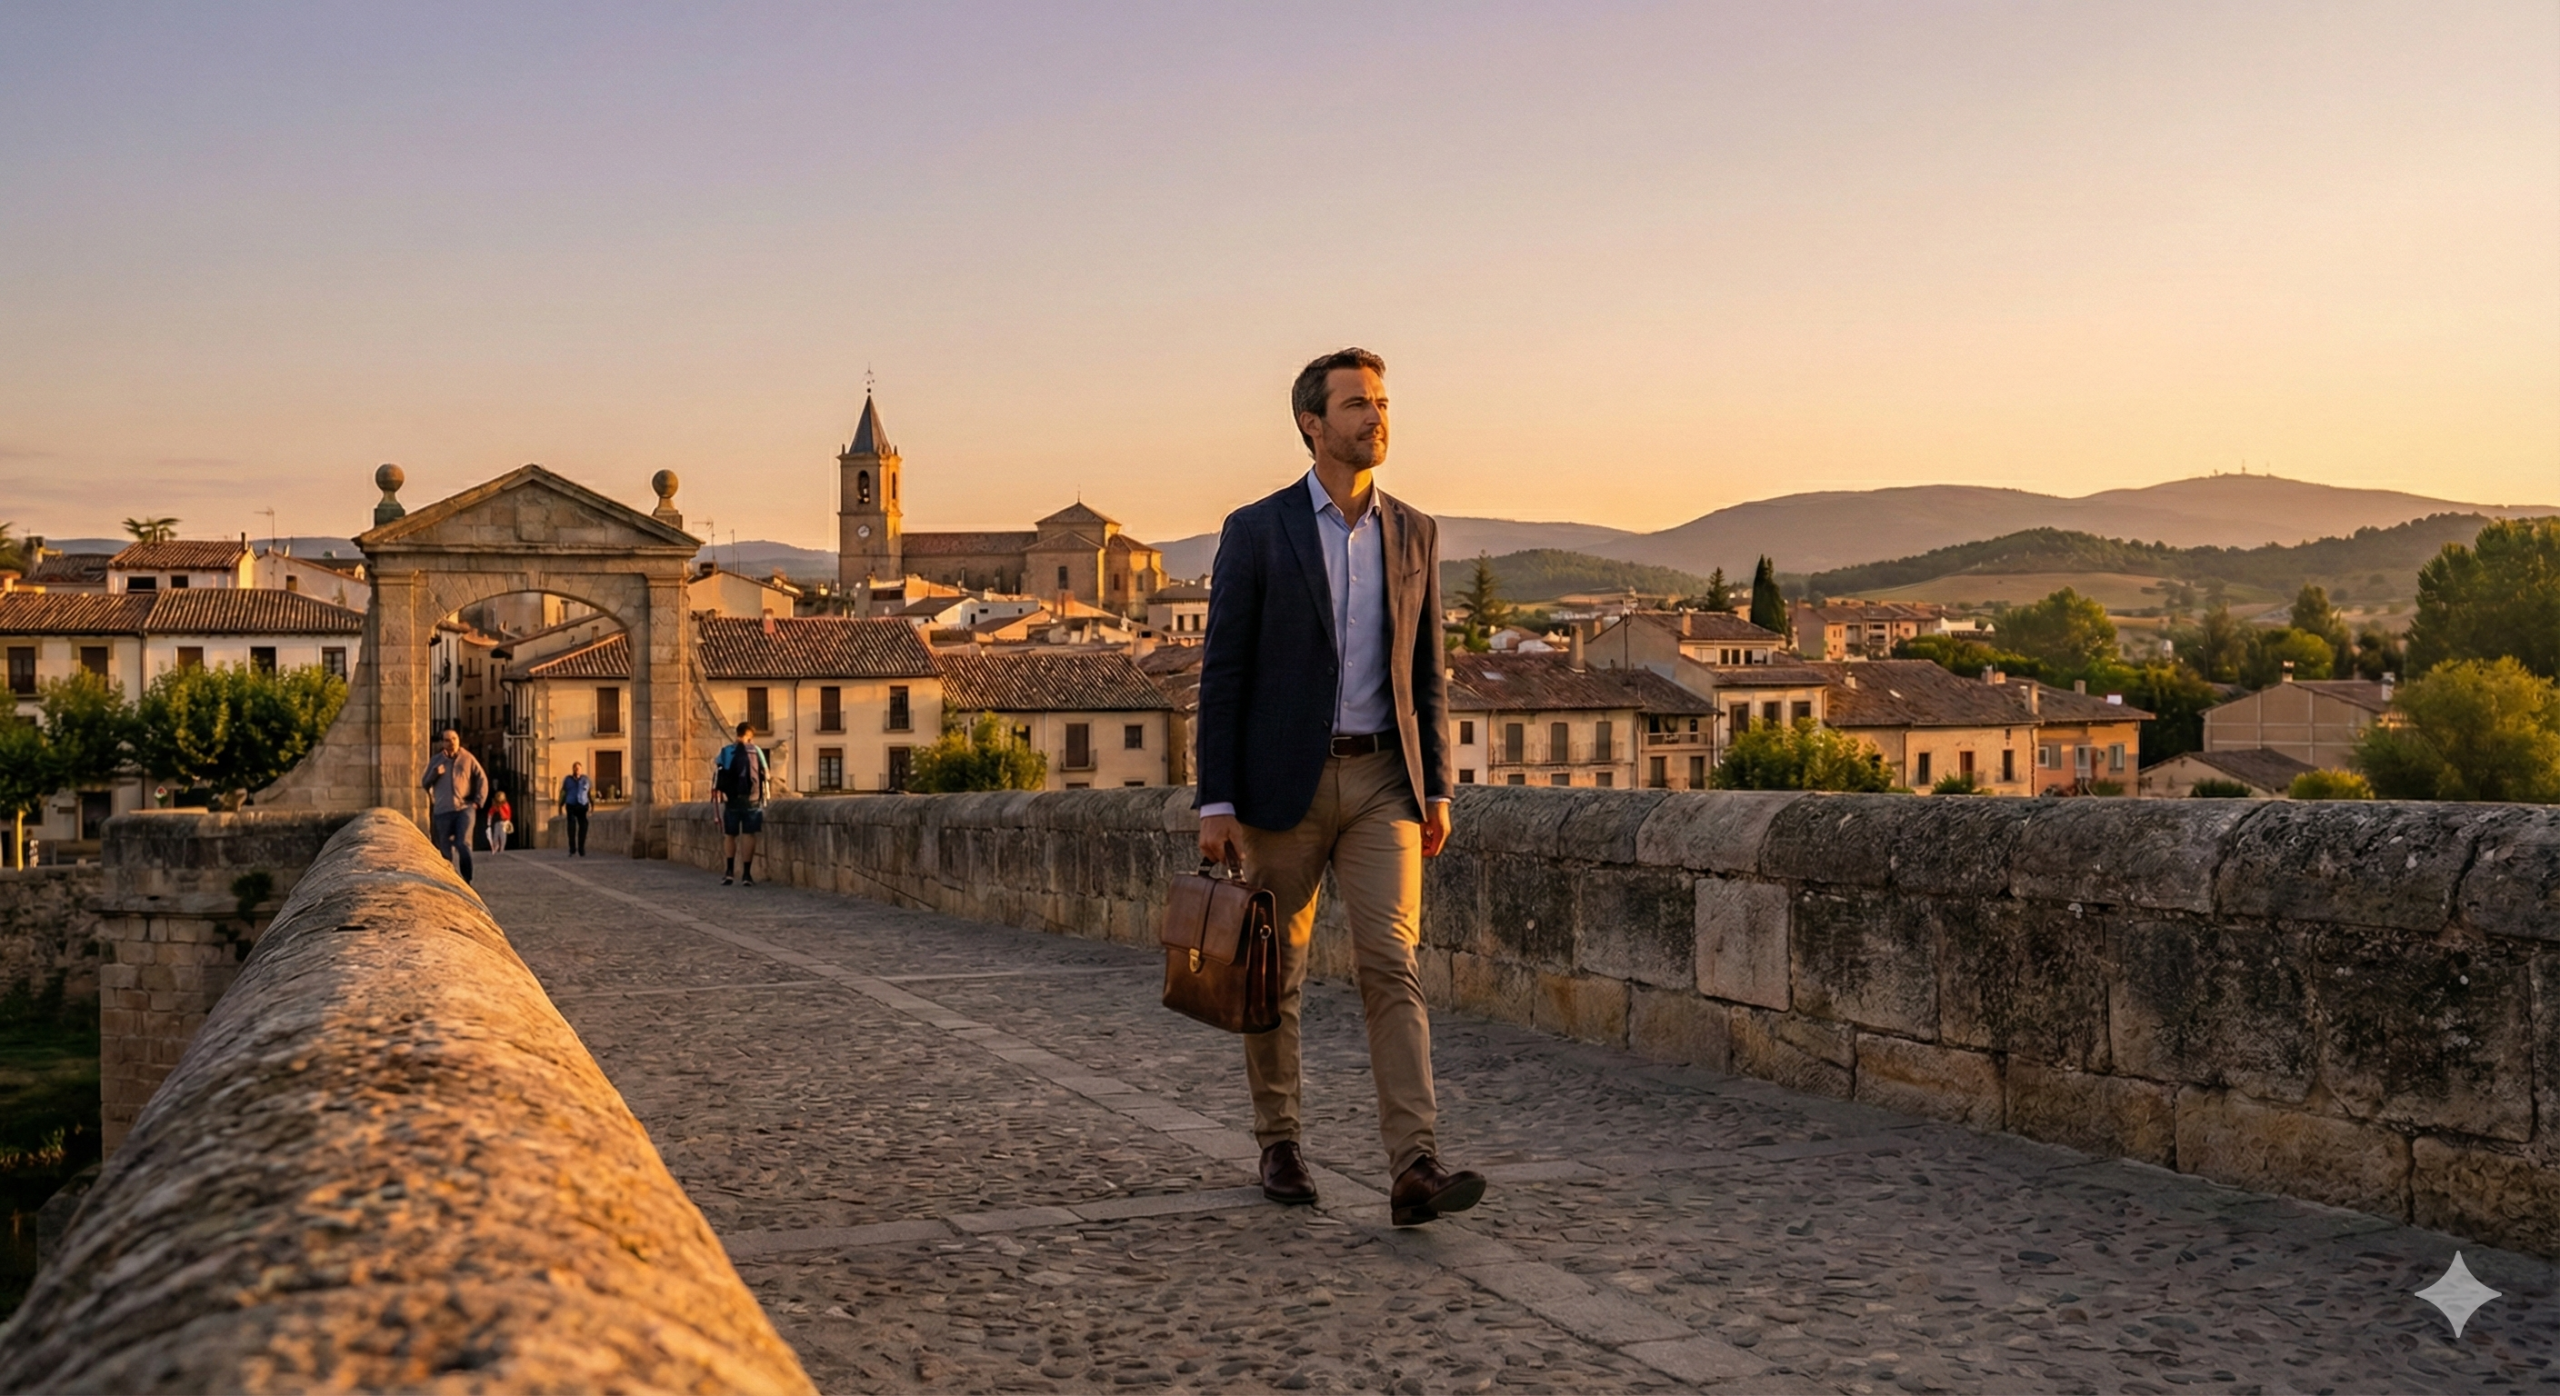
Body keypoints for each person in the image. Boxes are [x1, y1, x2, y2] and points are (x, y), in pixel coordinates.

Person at [1194, 347, 1483, 1228]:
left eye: (1382, 401)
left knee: (1392, 964)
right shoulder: (1257, 529)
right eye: (1357, 404)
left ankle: (1415, 1164)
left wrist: (1437, 787)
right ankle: (1279, 1140)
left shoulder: (1416, 532)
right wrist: (1216, 800)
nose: (1376, 416)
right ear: (1312, 424)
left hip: (1385, 781)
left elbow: (1427, 670)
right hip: (1281, 785)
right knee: (1274, 970)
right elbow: (1223, 671)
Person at [422, 730, 489, 884]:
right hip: (442, 811)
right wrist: (435, 773)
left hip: (464, 808)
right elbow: (425, 783)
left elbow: (482, 778)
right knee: (444, 849)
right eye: (447, 740)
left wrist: (478, 801)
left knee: (463, 843)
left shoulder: (468, 758)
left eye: (454, 739)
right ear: (442, 743)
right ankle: (448, 881)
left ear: (458, 740)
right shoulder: (436, 760)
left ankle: (467, 879)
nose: (451, 742)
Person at [714, 721, 768, 886]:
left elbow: (718, 774)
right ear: (750, 736)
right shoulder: (756, 750)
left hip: (731, 799)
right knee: (748, 834)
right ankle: (746, 874)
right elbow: (766, 774)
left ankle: (729, 871)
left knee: (730, 835)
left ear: (737, 734)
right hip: (752, 799)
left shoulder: (726, 751)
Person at [559, 762, 593, 856]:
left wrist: (592, 805)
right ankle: (572, 849)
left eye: (578, 768)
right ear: (573, 769)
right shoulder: (568, 780)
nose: (577, 770)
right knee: (571, 827)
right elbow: (563, 793)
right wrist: (560, 805)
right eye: (575, 768)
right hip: (571, 805)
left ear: (581, 769)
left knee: (583, 827)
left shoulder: (586, 780)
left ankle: (581, 848)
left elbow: (590, 793)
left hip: (582, 806)